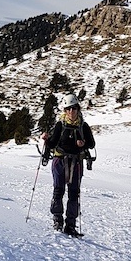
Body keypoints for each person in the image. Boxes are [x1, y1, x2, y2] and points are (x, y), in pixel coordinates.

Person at [41, 93, 96, 235]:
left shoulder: (83, 126)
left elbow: (92, 144)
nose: (71, 111)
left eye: (74, 108)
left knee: (73, 193)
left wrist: (83, 144)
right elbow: (53, 143)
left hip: (76, 162)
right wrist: (46, 140)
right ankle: (58, 220)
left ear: (78, 109)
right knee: (59, 191)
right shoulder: (60, 125)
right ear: (65, 111)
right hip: (60, 161)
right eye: (68, 109)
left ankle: (70, 225)